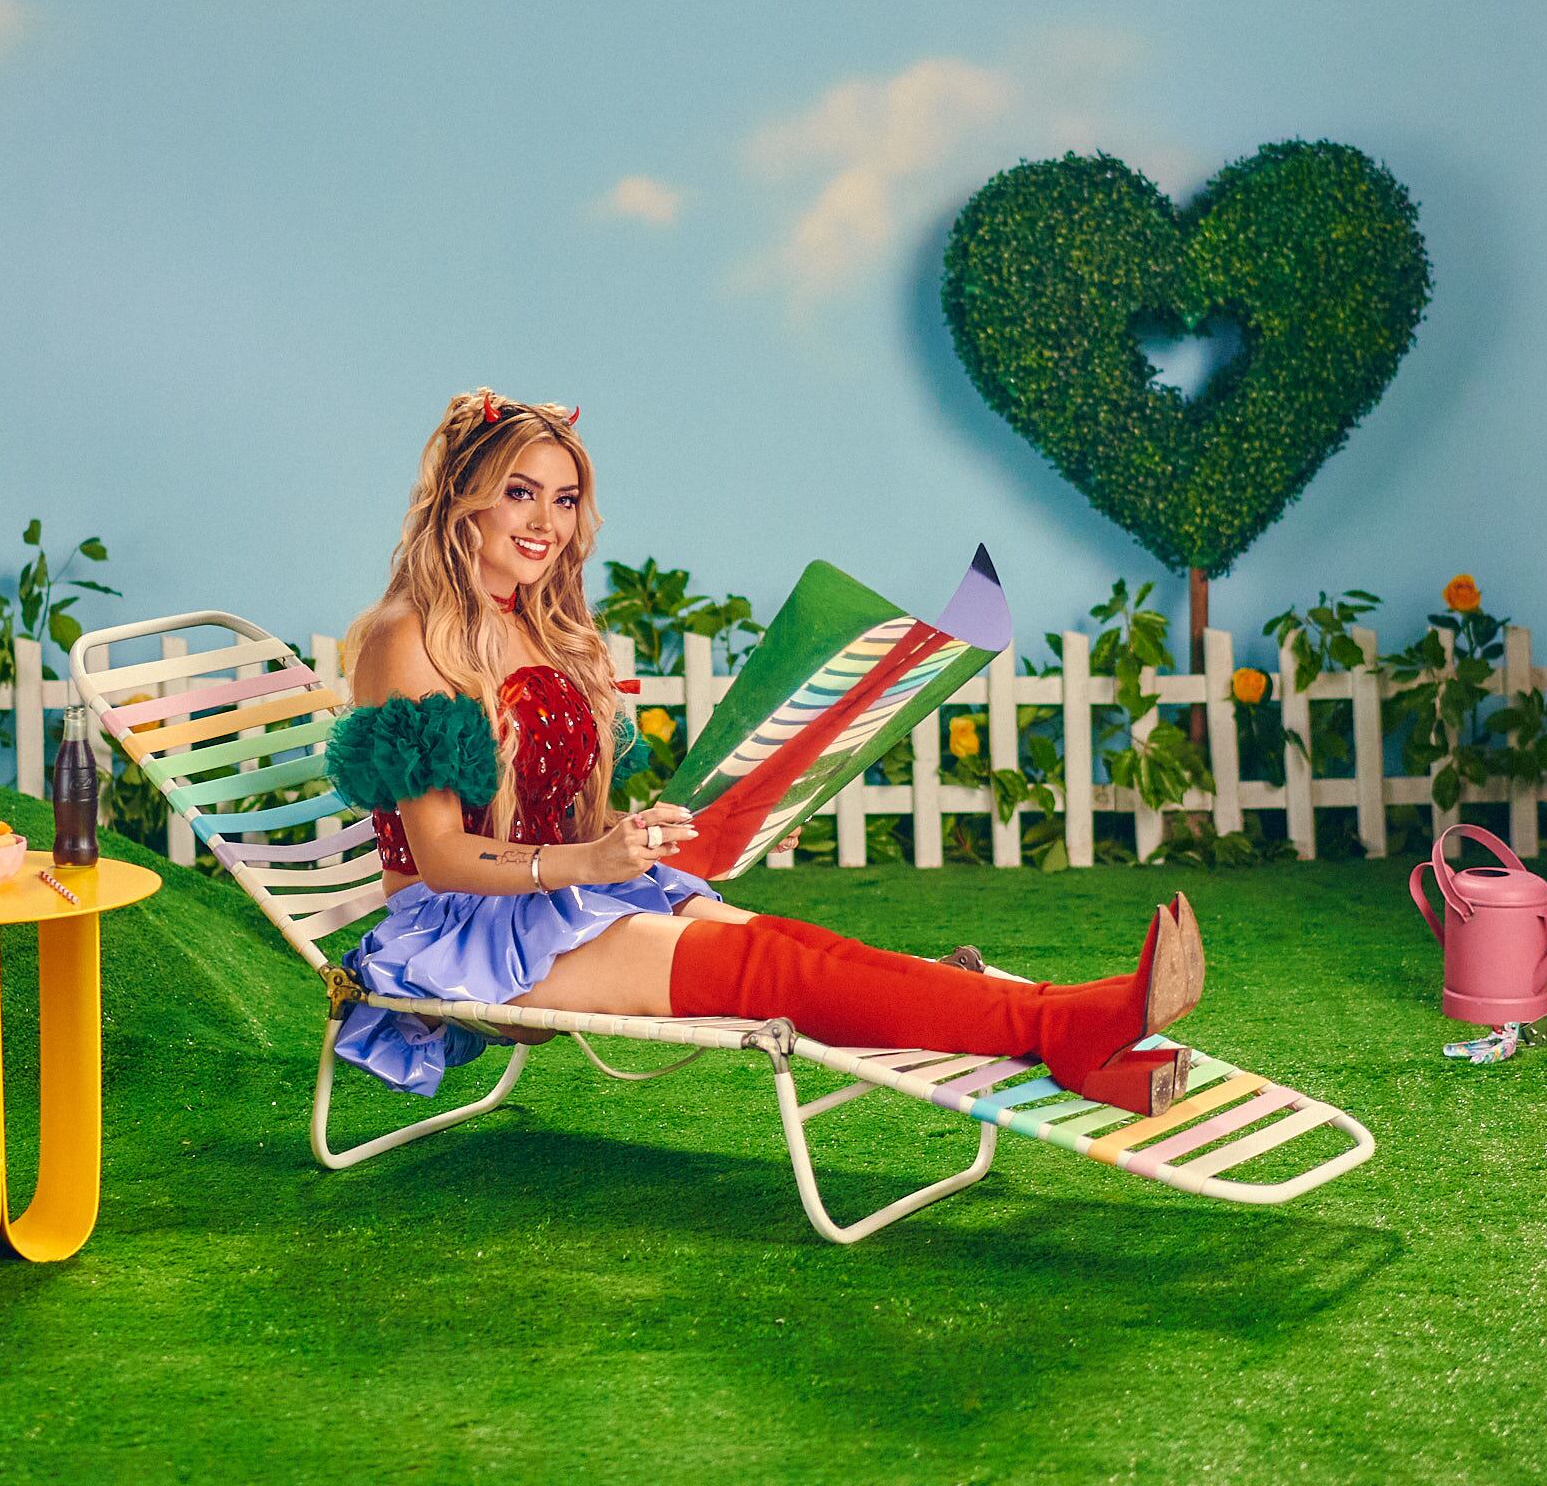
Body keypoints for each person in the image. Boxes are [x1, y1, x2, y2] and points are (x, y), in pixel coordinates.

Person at [324, 388, 1203, 1110]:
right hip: (463, 933)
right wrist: (589, 860)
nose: (546, 523)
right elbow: (440, 857)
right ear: (464, 496)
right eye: (520, 492)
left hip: (557, 893)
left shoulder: (538, 626)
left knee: (806, 949)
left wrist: (653, 833)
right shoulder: (410, 639)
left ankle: (1075, 1029)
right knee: (767, 970)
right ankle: (1065, 1025)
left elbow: (552, 815)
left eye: (563, 499)